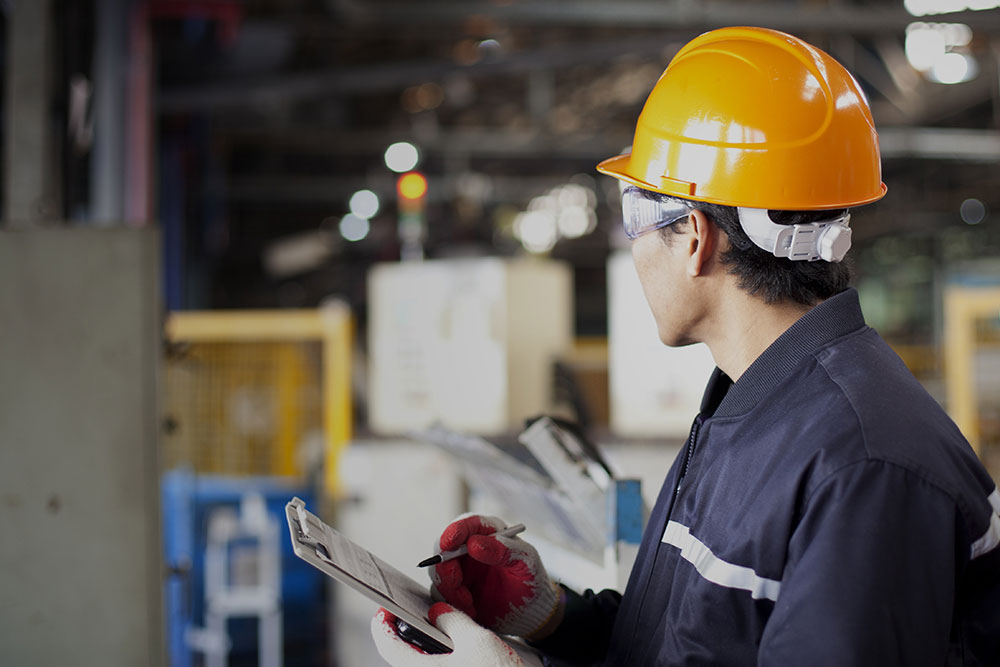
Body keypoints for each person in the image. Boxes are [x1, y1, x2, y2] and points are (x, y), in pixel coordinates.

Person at [371, 26, 1000, 666]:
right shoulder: (752, 406)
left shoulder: (863, 466)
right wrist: (557, 620)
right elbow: (689, 640)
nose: (636, 251)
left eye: (633, 221)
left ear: (695, 237)